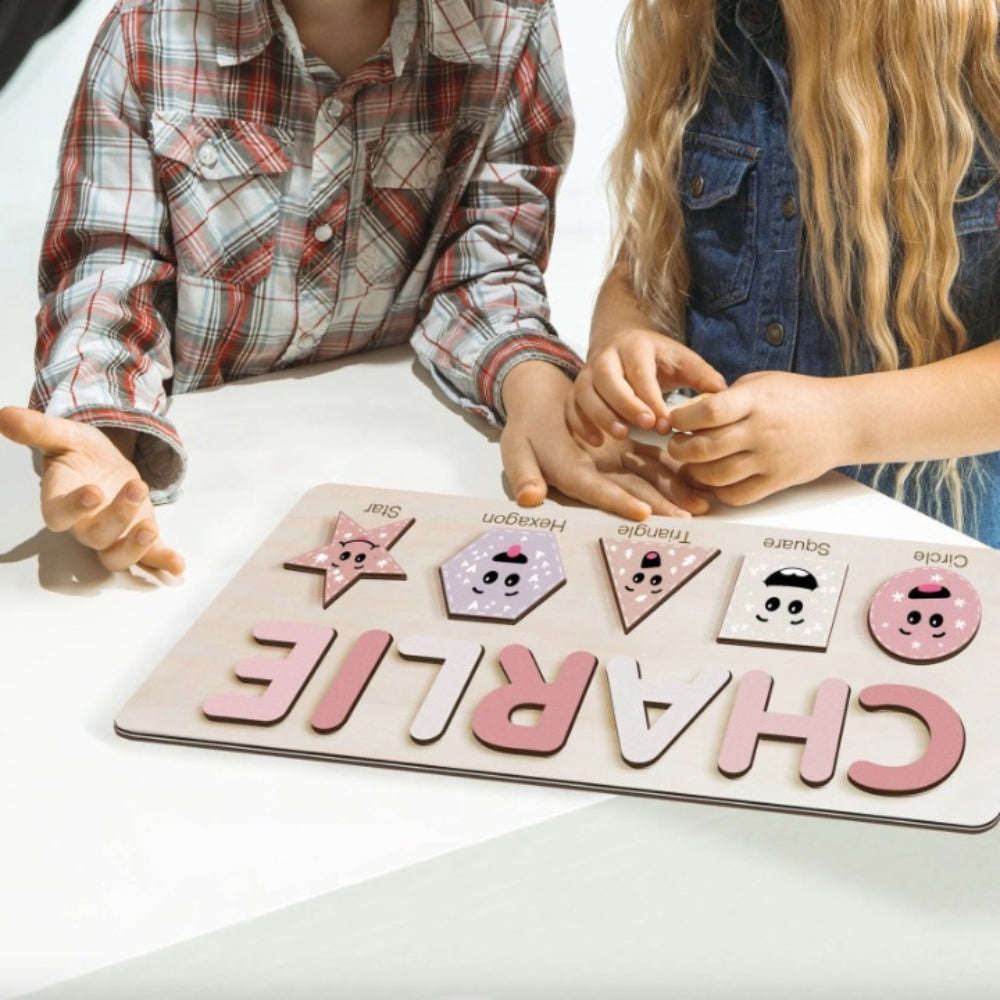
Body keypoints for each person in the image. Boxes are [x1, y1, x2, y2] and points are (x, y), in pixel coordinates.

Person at [0, 0, 724, 575]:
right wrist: (102, 430)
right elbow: (108, 275)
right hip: (207, 474)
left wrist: (532, 384)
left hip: (397, 452)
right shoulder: (147, 32)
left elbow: (488, 265)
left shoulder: (509, 25)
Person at [567, 0, 1000, 547]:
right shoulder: (699, 26)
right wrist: (624, 337)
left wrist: (844, 421)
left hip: (936, 540)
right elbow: (647, 255)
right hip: (712, 525)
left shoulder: (983, 45)